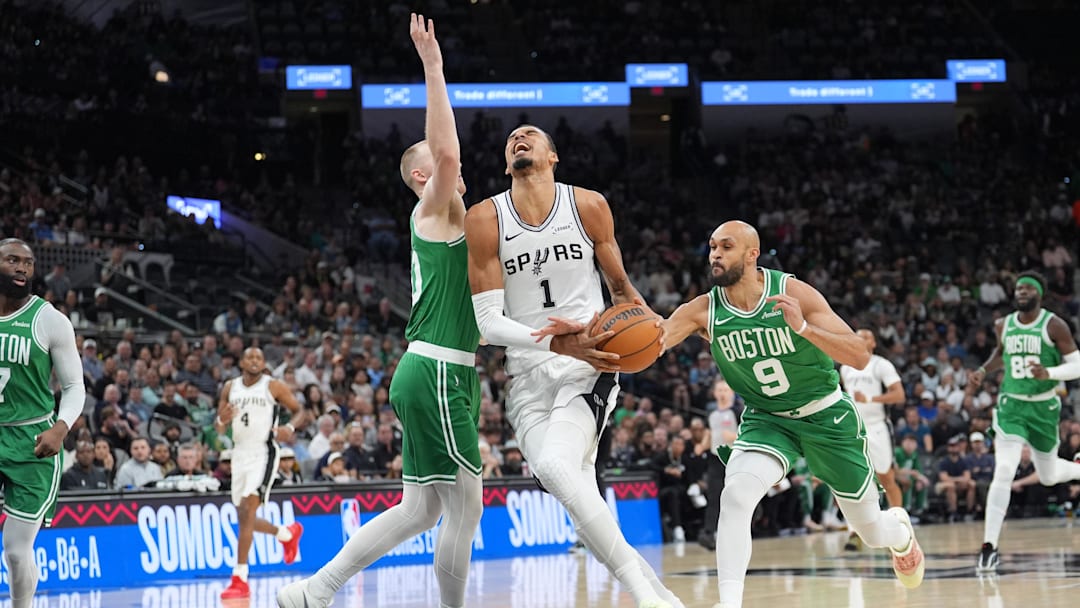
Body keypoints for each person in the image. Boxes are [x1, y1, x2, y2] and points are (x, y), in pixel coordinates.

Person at [279, 15, 485, 608]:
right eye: (447, 169)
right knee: (466, 506)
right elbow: (446, 150)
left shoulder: (452, 224)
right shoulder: (435, 208)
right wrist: (434, 66)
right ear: (424, 177)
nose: (459, 170)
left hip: (435, 371)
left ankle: (314, 590)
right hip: (439, 370)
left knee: (421, 509)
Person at [462, 120, 681, 607]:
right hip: (525, 374)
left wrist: (651, 330)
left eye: (530, 135)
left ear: (552, 156)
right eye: (512, 139)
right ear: (505, 163)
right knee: (575, 491)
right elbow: (487, 323)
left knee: (560, 467)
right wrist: (555, 344)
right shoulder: (484, 218)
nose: (519, 138)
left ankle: (646, 598)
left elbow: (622, 289)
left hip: (591, 364)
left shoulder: (587, 205)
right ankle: (664, 599)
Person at [661, 222, 923, 608]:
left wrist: (802, 327)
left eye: (726, 247)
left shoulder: (791, 292)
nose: (715, 254)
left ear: (752, 254)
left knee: (869, 528)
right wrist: (589, 340)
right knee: (736, 495)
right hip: (768, 420)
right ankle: (729, 603)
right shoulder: (703, 310)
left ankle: (899, 533)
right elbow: (653, 343)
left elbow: (858, 355)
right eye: (712, 246)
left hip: (826, 416)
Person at [971, 271, 1080, 572]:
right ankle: (988, 546)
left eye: (1027, 288)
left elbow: (1077, 365)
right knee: (1004, 470)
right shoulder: (1002, 324)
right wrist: (983, 370)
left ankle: (1076, 469)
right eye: (1018, 288)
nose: (1021, 292)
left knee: (1047, 476)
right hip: (1011, 407)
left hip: (1044, 409)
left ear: (1039, 294)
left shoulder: (1054, 325)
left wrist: (1050, 373)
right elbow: (1000, 354)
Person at [0, 238, 86, 608]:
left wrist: (61, 427)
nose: (22, 268)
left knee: (17, 553)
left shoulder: (49, 320)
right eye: (12, 260)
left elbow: (74, 386)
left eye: (28, 263)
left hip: (32, 440)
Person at [216, 347, 307, 600]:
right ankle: (287, 533)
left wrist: (289, 426)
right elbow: (220, 430)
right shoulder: (229, 388)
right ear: (241, 361)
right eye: (250, 357)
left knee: (246, 511)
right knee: (245, 517)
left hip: (263, 452)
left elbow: (301, 411)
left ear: (263, 363)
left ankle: (240, 578)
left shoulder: (273, 386)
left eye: (259, 357)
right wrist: (221, 421)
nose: (254, 361)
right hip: (239, 453)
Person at [838, 328, 906, 550]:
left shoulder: (881, 364)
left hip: (877, 427)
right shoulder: (845, 367)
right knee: (853, 479)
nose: (860, 339)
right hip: (853, 427)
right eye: (857, 335)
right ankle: (854, 532)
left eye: (866, 336)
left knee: (886, 478)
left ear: (874, 343)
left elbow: (899, 395)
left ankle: (900, 523)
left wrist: (870, 398)